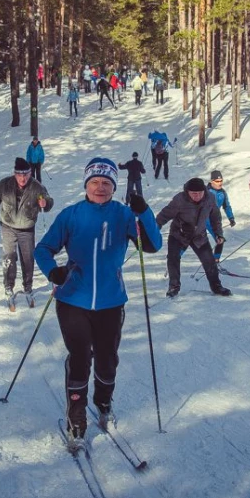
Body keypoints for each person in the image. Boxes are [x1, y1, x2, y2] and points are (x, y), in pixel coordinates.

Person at [35, 158, 162, 443]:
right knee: (80, 358)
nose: (100, 188)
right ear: (86, 184)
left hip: (110, 301)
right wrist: (52, 271)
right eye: (95, 182)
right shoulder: (71, 215)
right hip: (72, 300)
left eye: (107, 183)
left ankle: (103, 405)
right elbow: (43, 248)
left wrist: (145, 213)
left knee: (107, 360)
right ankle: (76, 416)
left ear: (114, 187)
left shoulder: (125, 215)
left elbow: (153, 246)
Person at [0, 158, 54, 308]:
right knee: (9, 257)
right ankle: (8, 285)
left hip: (27, 228)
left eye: (26, 174)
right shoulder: (5, 184)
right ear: (15, 173)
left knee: (27, 259)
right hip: (8, 226)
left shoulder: (37, 187)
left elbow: (49, 201)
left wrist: (45, 203)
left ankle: (28, 286)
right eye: (20, 174)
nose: (23, 178)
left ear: (30, 173)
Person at [156, 177, 232, 298]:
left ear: (204, 191)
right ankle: (173, 287)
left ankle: (216, 286)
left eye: (199, 193)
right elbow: (164, 215)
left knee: (209, 261)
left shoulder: (210, 199)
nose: (197, 196)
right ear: (188, 192)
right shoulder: (180, 199)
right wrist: (155, 228)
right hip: (179, 234)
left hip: (199, 235)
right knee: (173, 258)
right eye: (193, 193)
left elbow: (215, 217)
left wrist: (218, 233)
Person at [205, 170, 235, 262]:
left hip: (214, 221)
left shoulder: (223, 193)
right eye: (217, 181)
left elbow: (227, 206)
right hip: (203, 219)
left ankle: (216, 261)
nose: (220, 183)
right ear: (211, 181)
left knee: (220, 240)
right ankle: (174, 257)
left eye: (221, 181)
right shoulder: (205, 192)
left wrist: (231, 218)